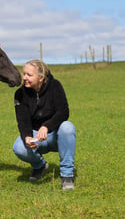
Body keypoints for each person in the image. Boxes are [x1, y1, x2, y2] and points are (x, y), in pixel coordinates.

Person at [13, 59, 76, 190]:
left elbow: (63, 112)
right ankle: (39, 166)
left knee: (68, 127)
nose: (24, 78)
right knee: (18, 147)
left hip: (55, 135)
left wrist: (46, 126)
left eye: (29, 75)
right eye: (24, 74)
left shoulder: (55, 86)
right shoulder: (20, 94)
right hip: (36, 137)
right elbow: (22, 121)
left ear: (41, 78)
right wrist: (27, 137)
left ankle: (66, 176)